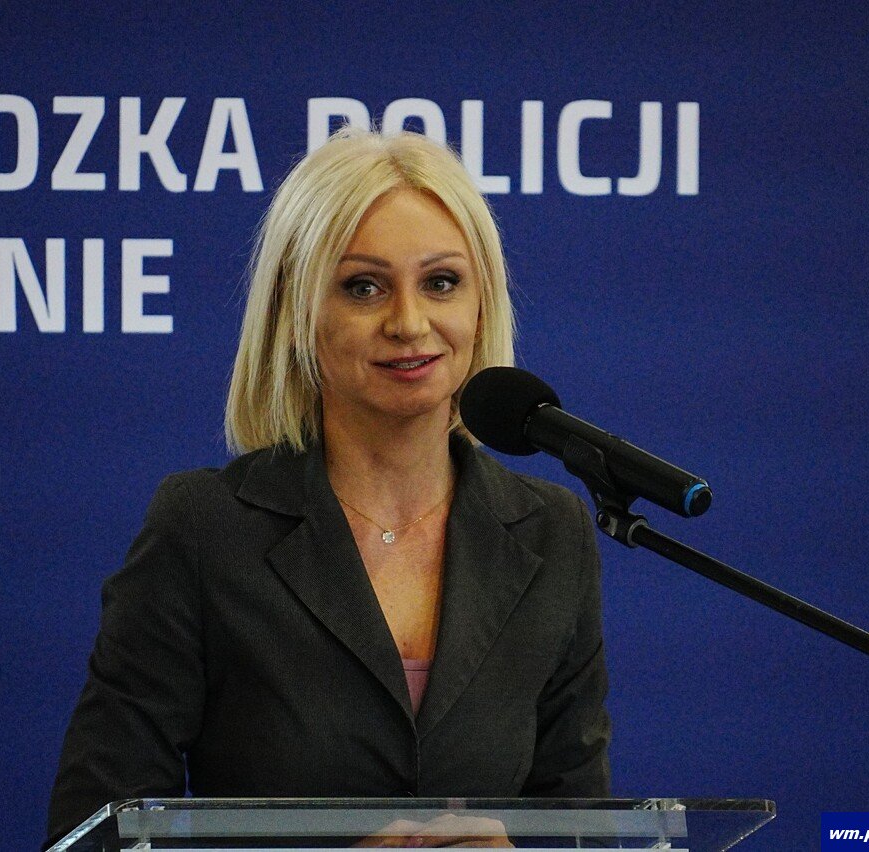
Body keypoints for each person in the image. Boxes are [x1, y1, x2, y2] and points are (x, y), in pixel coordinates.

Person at [45, 128, 610, 847]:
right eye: (362, 287)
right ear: (296, 312)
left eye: (441, 282)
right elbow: (94, 834)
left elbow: (583, 829)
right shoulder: (204, 528)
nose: (409, 323)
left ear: (482, 304)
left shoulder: (551, 530)